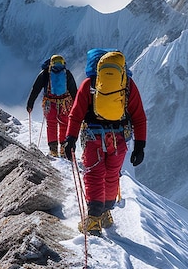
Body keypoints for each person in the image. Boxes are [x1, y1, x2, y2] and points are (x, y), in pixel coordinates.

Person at [63, 49, 146, 235]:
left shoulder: (89, 84)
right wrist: (140, 146)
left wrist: (70, 139)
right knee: (111, 175)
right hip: (119, 139)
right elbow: (139, 117)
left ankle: (93, 218)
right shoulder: (127, 85)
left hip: (93, 137)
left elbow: (76, 114)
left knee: (93, 174)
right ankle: (106, 213)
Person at [26, 54, 78, 157]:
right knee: (64, 124)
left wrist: (30, 103)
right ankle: (64, 148)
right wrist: (77, 107)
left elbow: (35, 89)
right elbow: (74, 91)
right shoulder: (67, 74)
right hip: (65, 103)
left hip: (49, 103)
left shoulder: (45, 73)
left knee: (51, 125)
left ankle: (53, 150)